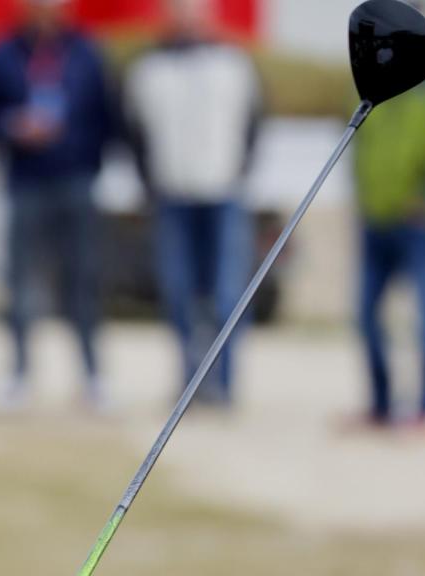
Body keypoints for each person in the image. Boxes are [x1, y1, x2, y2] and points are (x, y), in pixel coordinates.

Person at [0, 0, 114, 411]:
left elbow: (106, 114)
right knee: (20, 282)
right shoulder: (3, 52)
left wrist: (87, 160)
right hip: (25, 182)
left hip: (76, 180)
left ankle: (92, 376)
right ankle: (18, 374)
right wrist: (12, 127)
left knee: (83, 280)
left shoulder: (86, 52)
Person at [124, 0, 262, 406]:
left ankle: (224, 383)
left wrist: (238, 173)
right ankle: (189, 380)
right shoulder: (148, 69)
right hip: (173, 194)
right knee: (179, 292)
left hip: (223, 192)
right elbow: (135, 133)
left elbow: (254, 124)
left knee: (226, 294)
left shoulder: (235, 64)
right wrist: (149, 182)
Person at [351, 49, 425, 428]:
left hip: (421, 218)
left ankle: (424, 409)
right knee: (366, 316)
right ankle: (381, 406)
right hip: (375, 214)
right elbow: (358, 141)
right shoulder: (366, 75)